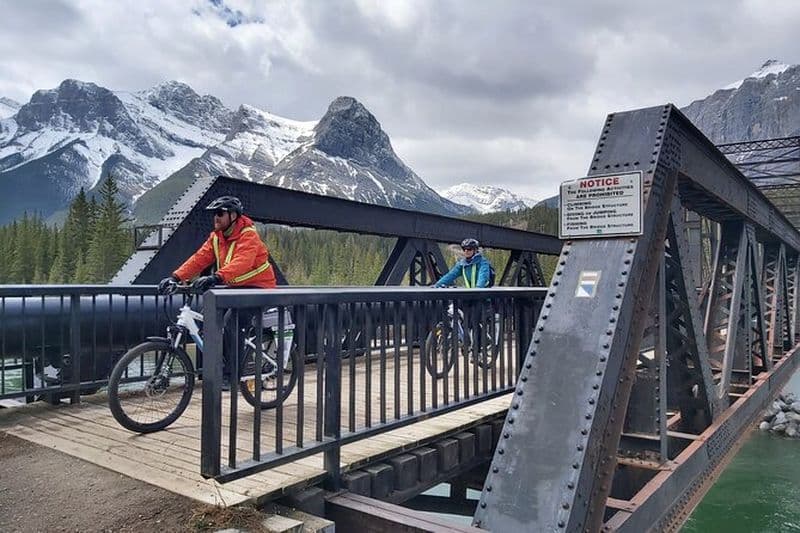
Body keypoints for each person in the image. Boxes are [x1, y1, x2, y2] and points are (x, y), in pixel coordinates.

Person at [157, 195, 290, 389]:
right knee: (209, 319)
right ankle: (221, 364)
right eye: (214, 214)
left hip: (259, 289)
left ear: (233, 215)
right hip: (235, 288)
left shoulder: (248, 235)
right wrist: (175, 277)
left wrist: (216, 277)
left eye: (220, 213)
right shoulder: (216, 237)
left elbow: (242, 262)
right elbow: (199, 258)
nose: (215, 218)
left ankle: (231, 375)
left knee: (232, 324)